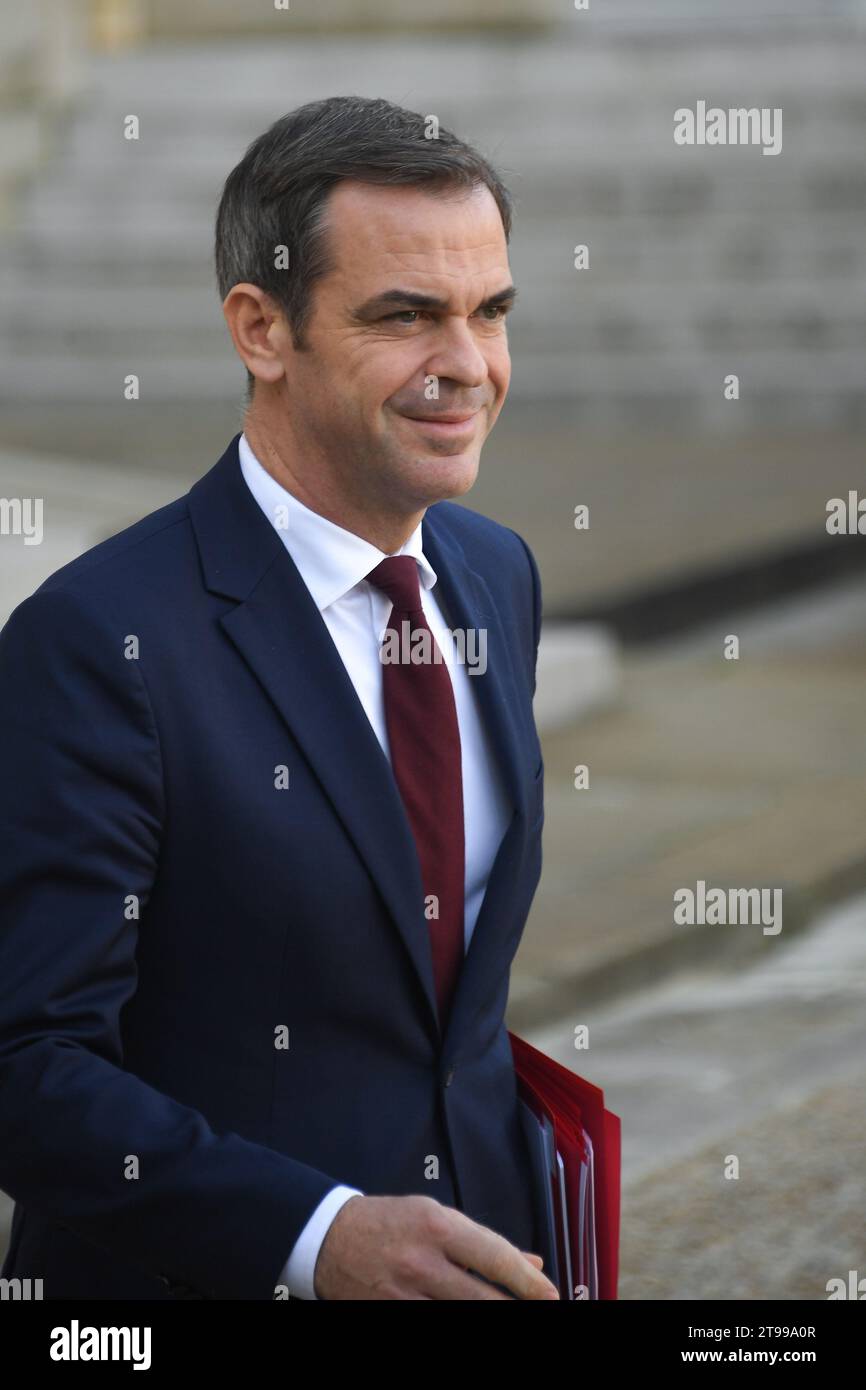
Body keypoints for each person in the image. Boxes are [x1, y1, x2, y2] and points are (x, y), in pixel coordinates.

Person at [0, 96, 555, 1301]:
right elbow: (28, 1064)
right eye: (404, 316)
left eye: (490, 312)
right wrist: (316, 1237)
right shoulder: (98, 642)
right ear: (262, 328)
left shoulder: (494, 574)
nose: (465, 365)